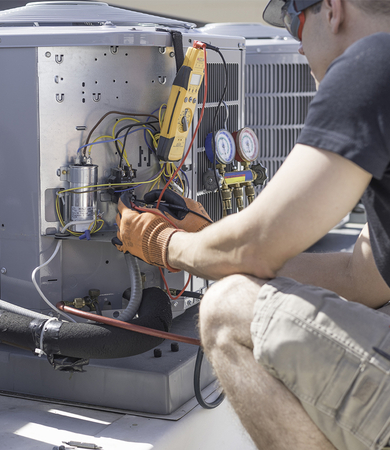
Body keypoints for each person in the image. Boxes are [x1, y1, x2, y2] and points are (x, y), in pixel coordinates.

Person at [113, 0, 390, 449]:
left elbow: (254, 248)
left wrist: (161, 242)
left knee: (226, 310)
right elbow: (361, 277)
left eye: (295, 25)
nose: (297, 48)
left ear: (333, 11)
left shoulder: (373, 62)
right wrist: (209, 241)